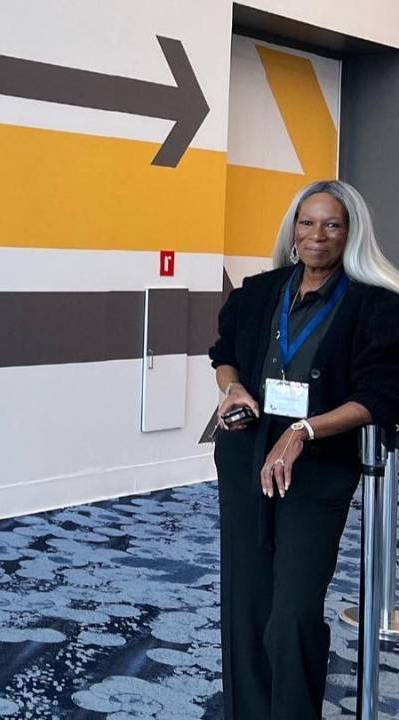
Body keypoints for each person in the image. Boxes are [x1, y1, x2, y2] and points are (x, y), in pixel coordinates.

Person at [210, 179, 399, 719]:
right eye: (307, 222)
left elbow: (380, 396)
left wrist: (303, 431)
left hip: (316, 469)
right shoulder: (258, 291)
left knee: (291, 613)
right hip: (246, 459)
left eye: (332, 224)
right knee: (246, 607)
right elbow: (224, 354)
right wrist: (233, 389)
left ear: (350, 233)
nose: (318, 235)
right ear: (293, 230)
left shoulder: (375, 306)